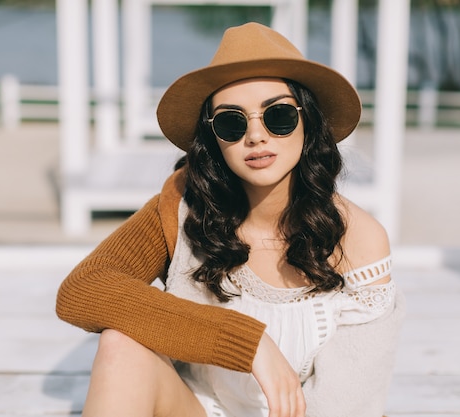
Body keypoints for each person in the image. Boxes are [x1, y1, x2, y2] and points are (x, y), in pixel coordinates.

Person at [56, 22, 405, 417]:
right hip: (199, 408)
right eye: (231, 122)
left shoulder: (357, 238)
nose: (255, 136)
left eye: (278, 116)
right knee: (120, 344)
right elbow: (82, 290)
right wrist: (247, 343)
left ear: (308, 122)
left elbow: (349, 405)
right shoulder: (184, 206)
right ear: (213, 138)